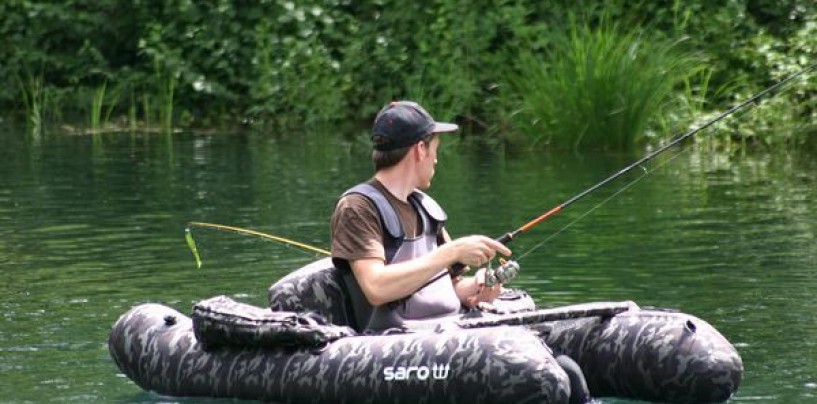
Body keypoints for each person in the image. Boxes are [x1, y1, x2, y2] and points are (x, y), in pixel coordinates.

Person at [330, 100, 512, 332]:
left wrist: (478, 288)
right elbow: (376, 288)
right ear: (420, 150)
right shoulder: (357, 208)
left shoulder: (426, 208)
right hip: (394, 345)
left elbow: (448, 288)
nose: (436, 159)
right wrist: (452, 252)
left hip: (445, 330)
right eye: (435, 149)